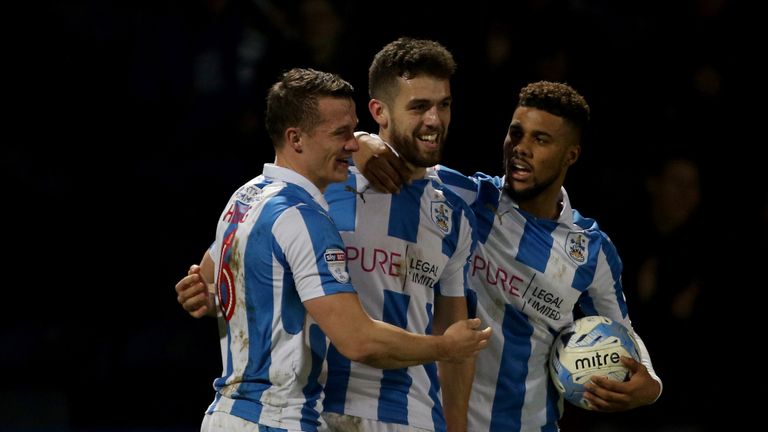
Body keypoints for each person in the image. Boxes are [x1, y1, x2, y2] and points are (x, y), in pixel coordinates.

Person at [178, 38, 479, 432]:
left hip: (411, 417)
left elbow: (453, 337)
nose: (435, 120)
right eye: (419, 106)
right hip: (318, 411)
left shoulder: (455, 211)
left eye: (444, 105)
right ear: (379, 112)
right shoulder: (320, 189)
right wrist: (205, 289)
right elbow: (216, 275)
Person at [356, 81, 663, 431]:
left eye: (540, 140)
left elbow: (623, 331)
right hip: (438, 418)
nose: (521, 148)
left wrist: (650, 386)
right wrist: (363, 143)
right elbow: (400, 158)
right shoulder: (466, 197)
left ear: (570, 155)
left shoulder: (592, 250)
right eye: (516, 134)